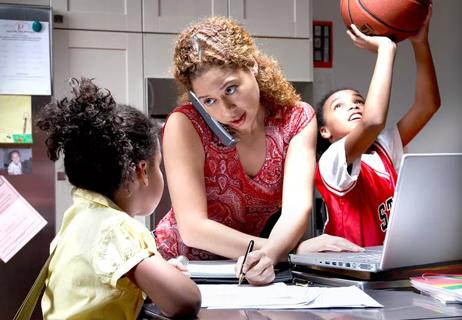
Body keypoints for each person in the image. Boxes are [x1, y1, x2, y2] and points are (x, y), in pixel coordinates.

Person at [154, 16, 361, 286]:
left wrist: (273, 254)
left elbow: (297, 208)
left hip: (252, 270)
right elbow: (193, 229)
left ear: (252, 65)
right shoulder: (185, 125)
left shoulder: (296, 120)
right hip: (181, 270)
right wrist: (286, 251)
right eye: (209, 100)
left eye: (231, 88)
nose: (226, 109)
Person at [37, 78, 201, 319]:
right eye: (158, 165)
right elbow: (186, 300)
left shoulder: (77, 218)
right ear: (141, 171)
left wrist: (157, 274)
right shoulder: (115, 228)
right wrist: (170, 279)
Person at [298, 6, 440, 251]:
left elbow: (428, 105)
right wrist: (386, 49)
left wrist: (420, 43)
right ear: (325, 131)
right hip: (348, 267)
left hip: (385, 261)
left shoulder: (384, 147)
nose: (353, 106)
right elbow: (373, 121)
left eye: (359, 101)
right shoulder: (331, 161)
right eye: (339, 106)